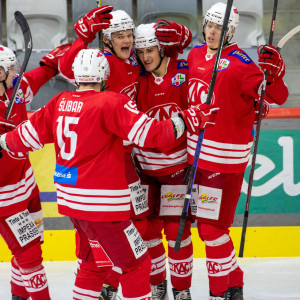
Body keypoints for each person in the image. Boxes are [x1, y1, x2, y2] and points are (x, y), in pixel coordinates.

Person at [0, 48, 219, 300]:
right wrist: (189, 118)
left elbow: (23, 137)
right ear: (103, 76)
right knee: (136, 265)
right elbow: (153, 135)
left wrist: (2, 142)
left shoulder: (59, 102)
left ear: (76, 76)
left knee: (94, 264)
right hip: (103, 208)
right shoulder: (112, 102)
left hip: (72, 204)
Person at [186, 2, 289, 300]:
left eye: (220, 27)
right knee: (210, 229)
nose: (212, 32)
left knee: (210, 231)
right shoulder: (194, 55)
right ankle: (235, 285)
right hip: (196, 159)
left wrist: (275, 75)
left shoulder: (242, 64)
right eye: (209, 25)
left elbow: (277, 96)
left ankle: (220, 293)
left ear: (230, 31)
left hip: (224, 163)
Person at [0, 42, 72, 300]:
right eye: (11, 69)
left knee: (32, 245)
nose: (16, 73)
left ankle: (18, 297)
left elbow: (47, 70)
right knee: (29, 253)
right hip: (5, 199)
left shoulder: (17, 88)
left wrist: (79, 43)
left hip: (28, 186)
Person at [132, 22, 195, 300]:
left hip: (176, 170)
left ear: (162, 49)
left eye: (151, 50)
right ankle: (158, 287)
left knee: (176, 233)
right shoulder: (137, 76)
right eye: (141, 51)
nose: (146, 56)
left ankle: (182, 291)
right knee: (147, 233)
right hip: (144, 170)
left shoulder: (183, 71)